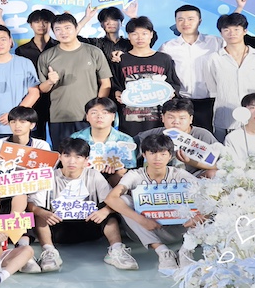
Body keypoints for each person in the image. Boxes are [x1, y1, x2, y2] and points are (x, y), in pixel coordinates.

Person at [27, 138, 138, 272]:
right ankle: (49, 252)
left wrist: (105, 211)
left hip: (90, 224)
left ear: (86, 160)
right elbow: (31, 204)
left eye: (78, 157)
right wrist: (42, 212)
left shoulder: (94, 175)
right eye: (67, 156)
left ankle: (116, 250)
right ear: (60, 157)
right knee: (39, 214)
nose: (72, 161)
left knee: (108, 212)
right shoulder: (49, 176)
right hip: (58, 227)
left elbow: (113, 200)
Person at [105, 134, 204, 273]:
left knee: (210, 203)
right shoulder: (135, 175)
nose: (157, 158)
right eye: (152, 153)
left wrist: (200, 215)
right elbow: (111, 198)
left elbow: (209, 194)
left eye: (163, 154)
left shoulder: (179, 174)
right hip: (146, 230)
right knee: (123, 200)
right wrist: (142, 220)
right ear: (144, 155)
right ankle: (163, 253)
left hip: (180, 229)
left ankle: (186, 251)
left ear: (170, 156)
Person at [38, 13, 112, 150]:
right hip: (59, 116)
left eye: (67, 28)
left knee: (90, 156)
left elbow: (106, 84)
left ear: (76, 28)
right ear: (53, 32)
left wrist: (96, 110)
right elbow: (42, 89)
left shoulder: (94, 52)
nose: (63, 32)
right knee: (63, 156)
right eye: (58, 29)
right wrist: (50, 81)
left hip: (88, 117)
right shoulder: (47, 56)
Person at [157, 5, 224, 133]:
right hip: (181, 102)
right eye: (180, 19)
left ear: (200, 21)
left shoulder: (216, 42)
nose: (185, 23)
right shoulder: (168, 47)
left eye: (190, 19)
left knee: (208, 138)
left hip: (210, 101)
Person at [112, 16, 181, 137]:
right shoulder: (120, 60)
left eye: (144, 33)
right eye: (134, 34)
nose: (140, 38)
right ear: (128, 36)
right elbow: (114, 84)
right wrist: (116, 93)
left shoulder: (164, 59)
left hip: (158, 119)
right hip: (130, 120)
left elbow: (173, 83)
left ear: (151, 34)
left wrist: (172, 92)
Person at [205, 13, 255, 142]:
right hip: (225, 116)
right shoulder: (214, 58)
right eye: (226, 30)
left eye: (236, 29)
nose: (232, 33)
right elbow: (212, 87)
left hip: (254, 116)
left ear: (245, 31)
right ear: (221, 33)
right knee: (224, 151)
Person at [135, 99, 219, 177]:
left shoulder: (202, 135)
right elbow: (130, 147)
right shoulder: (152, 135)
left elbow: (220, 165)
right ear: (163, 118)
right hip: (159, 178)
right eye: (171, 117)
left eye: (182, 118)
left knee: (213, 174)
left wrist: (190, 161)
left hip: (193, 177)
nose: (176, 122)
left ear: (191, 119)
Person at [70, 97, 136, 185]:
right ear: (87, 117)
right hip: (84, 179)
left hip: (114, 181)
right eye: (94, 113)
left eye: (105, 112)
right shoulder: (76, 138)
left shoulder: (125, 140)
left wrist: (118, 171)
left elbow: (129, 167)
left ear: (113, 117)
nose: (99, 116)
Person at [15, 9, 58, 140]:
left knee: (59, 137)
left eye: (46, 22)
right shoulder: (22, 50)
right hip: (32, 98)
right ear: (30, 24)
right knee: (35, 138)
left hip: (56, 96)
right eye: (37, 22)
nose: (41, 25)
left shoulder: (59, 47)